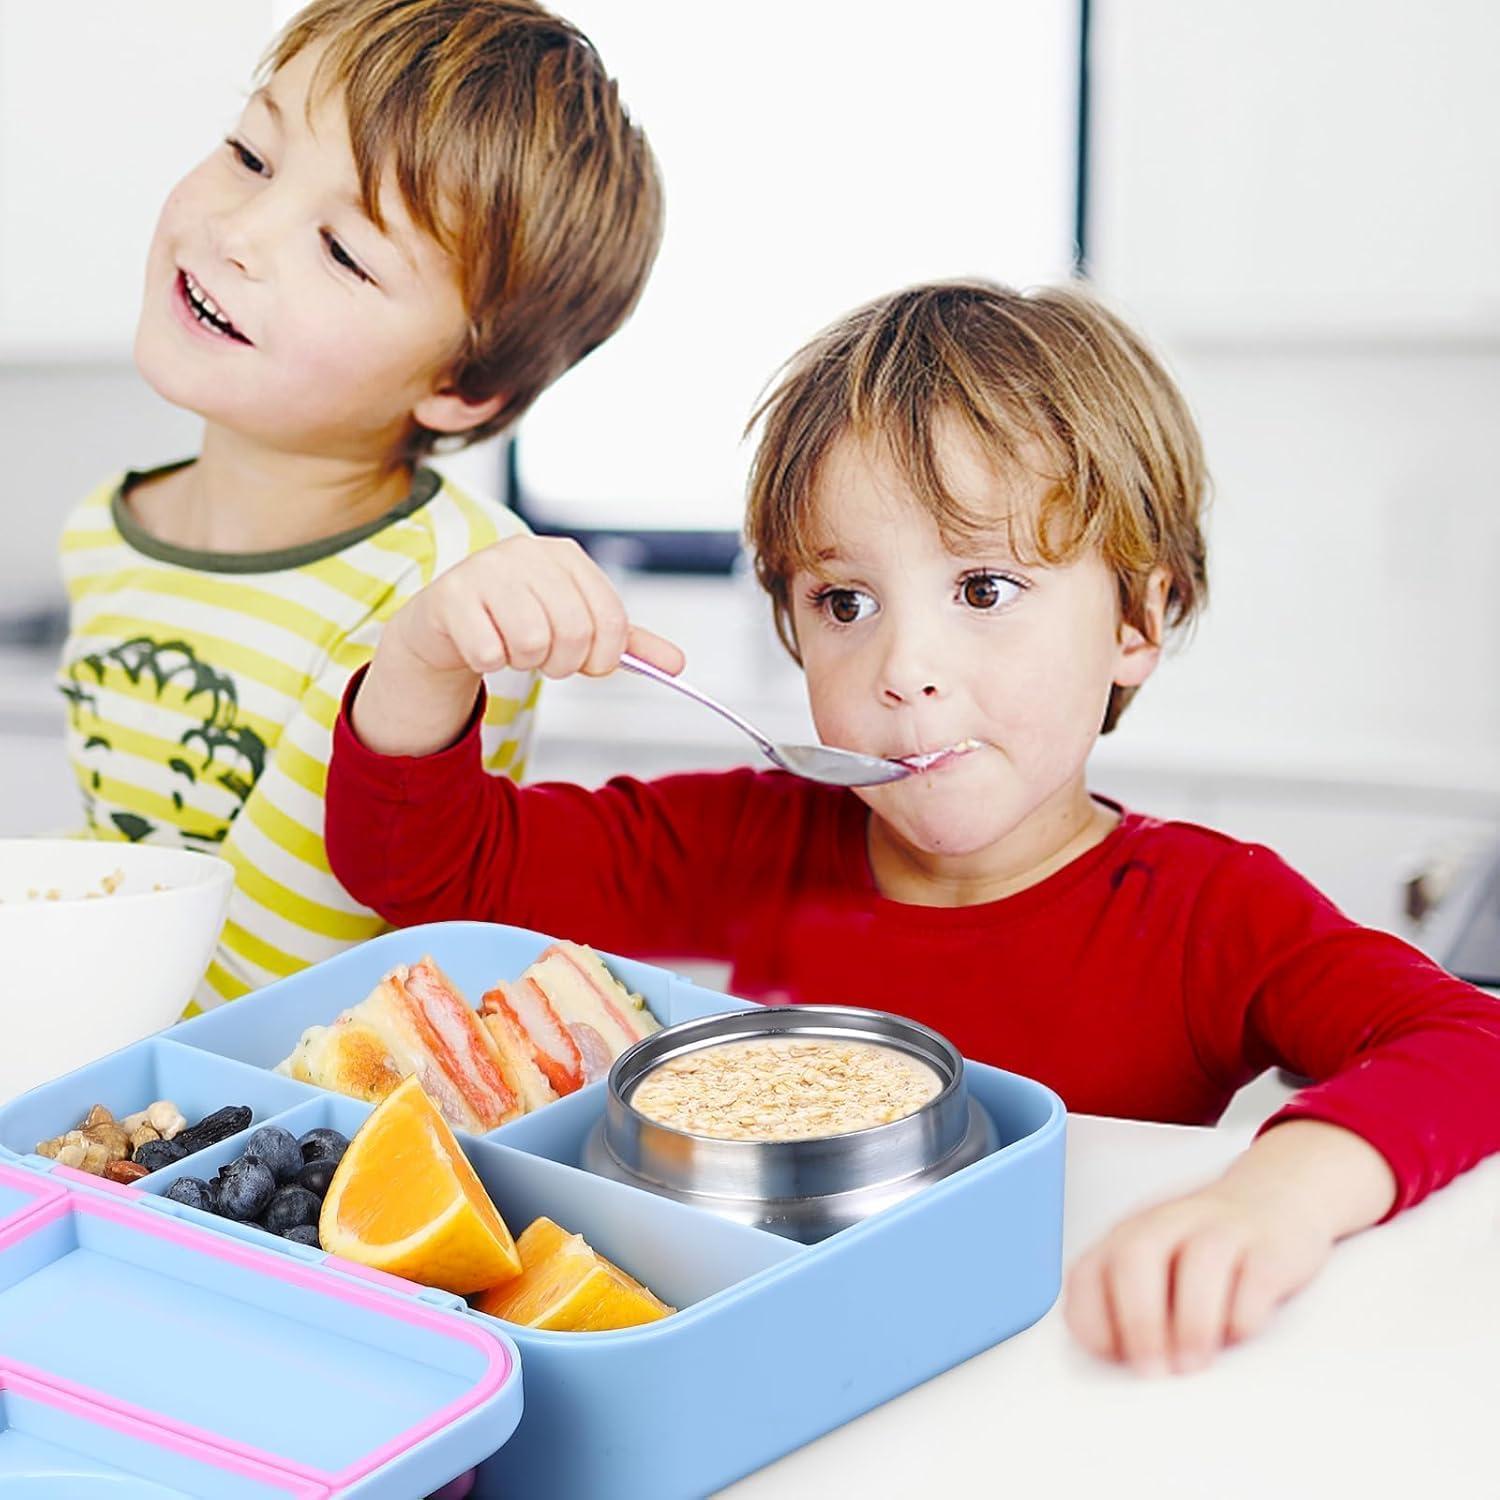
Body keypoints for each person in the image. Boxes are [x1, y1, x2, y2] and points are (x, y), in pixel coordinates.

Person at [322, 279, 1500, 1372]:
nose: (903, 667)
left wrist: (1274, 1196)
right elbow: (424, 868)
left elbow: (1467, 1045)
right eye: (846, 602)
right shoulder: (742, 841)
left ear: (1137, 623)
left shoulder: (1207, 913)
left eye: (984, 589)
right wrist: (428, 650)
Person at [55, 0, 662, 1012]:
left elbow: (296, 970)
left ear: (464, 386)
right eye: (251, 156)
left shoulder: (457, 591)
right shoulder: (102, 531)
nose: (238, 233)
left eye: (343, 251)